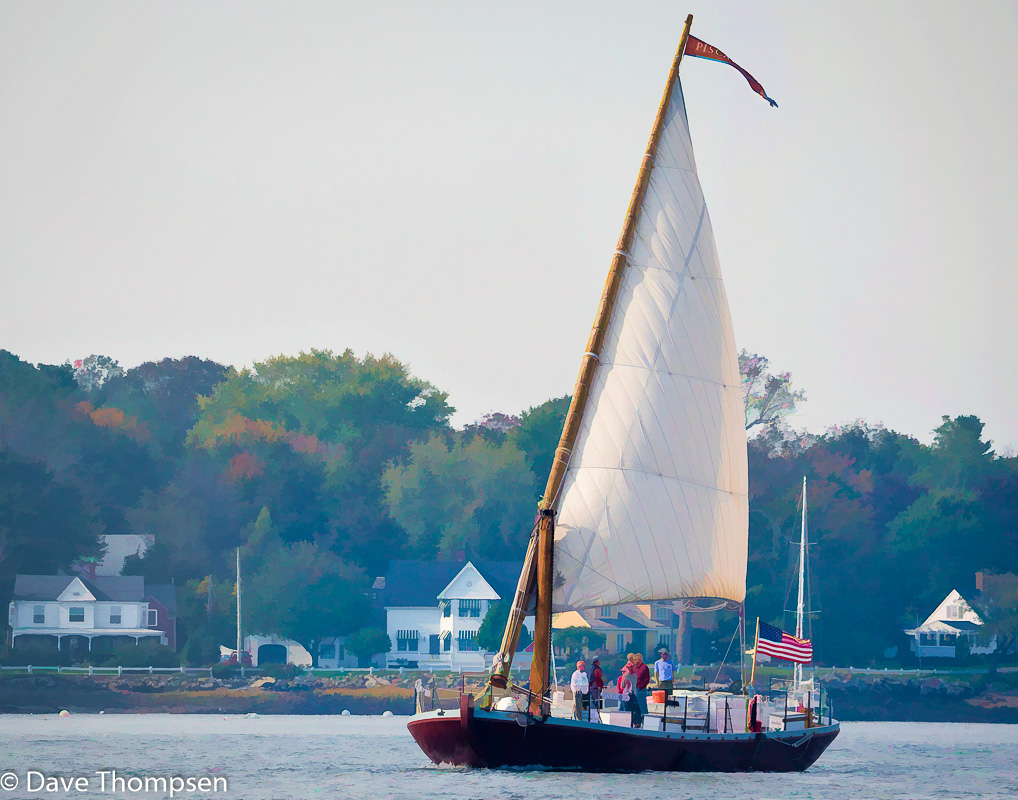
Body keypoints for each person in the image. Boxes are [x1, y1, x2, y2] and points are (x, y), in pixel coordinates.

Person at [619, 663, 640, 727]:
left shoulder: (634, 675)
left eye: (631, 667)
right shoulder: (625, 676)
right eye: (628, 667)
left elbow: (635, 685)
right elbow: (622, 686)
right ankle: (627, 724)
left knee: (636, 709)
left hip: (632, 694)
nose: (630, 669)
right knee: (626, 709)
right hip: (626, 695)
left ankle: (636, 723)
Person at [632, 653, 651, 723]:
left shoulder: (644, 667)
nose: (634, 661)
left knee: (642, 704)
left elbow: (646, 679)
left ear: (639, 660)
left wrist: (641, 686)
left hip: (640, 689)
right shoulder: (634, 667)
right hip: (634, 688)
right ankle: (637, 720)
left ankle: (645, 719)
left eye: (635, 659)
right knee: (635, 705)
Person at [589, 656, 605, 720]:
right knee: (598, 703)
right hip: (597, 688)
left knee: (593, 703)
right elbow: (602, 678)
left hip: (591, 688)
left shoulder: (590, 669)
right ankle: (598, 717)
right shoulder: (597, 669)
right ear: (597, 661)